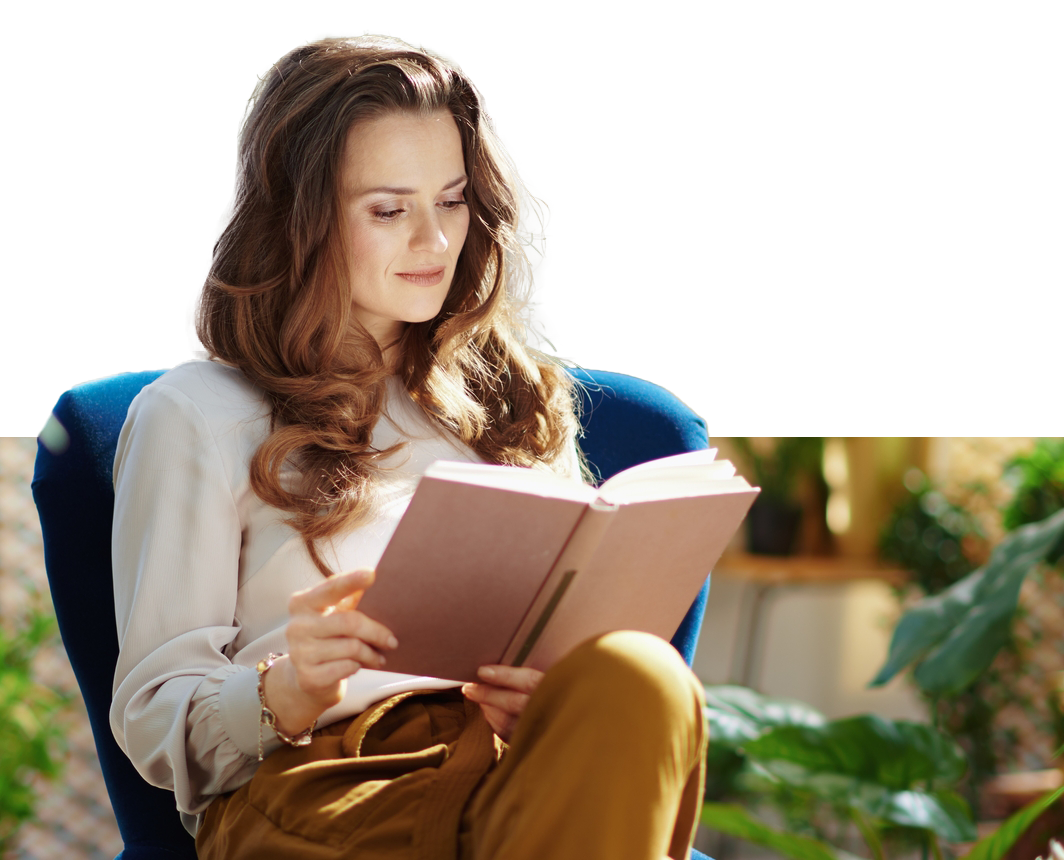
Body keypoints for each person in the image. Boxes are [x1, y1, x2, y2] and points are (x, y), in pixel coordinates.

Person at [108, 32, 707, 860]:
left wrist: (546, 699)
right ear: (298, 222)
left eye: (453, 201)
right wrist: (285, 686)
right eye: (389, 210)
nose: (433, 242)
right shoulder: (199, 414)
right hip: (326, 782)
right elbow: (151, 716)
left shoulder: (514, 400)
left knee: (647, 678)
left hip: (505, 769)